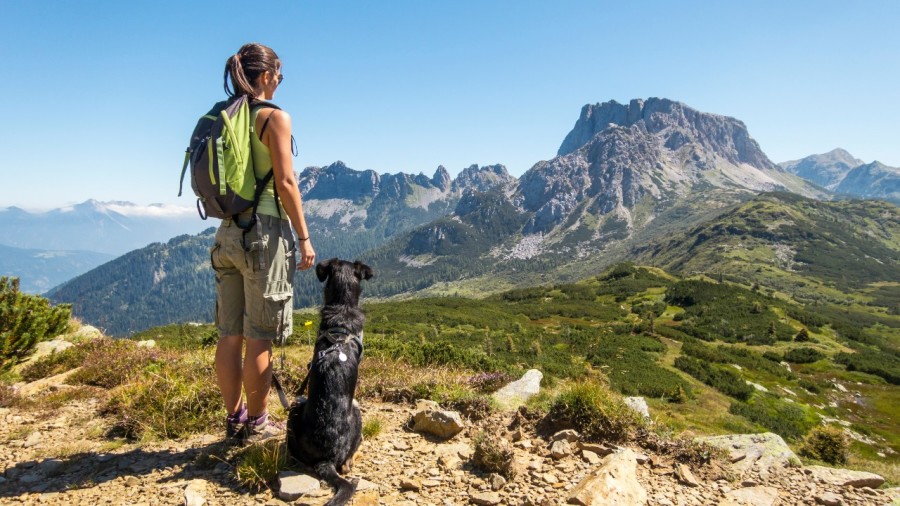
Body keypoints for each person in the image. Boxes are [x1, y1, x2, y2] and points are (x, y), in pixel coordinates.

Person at [211, 42, 316, 443]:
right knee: (260, 334)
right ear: (267, 75)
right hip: (264, 233)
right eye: (280, 75)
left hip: (227, 232)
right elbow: (286, 183)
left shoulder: (227, 116)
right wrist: (303, 237)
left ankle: (235, 418)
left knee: (229, 334)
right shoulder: (274, 117)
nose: (280, 82)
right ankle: (257, 425)